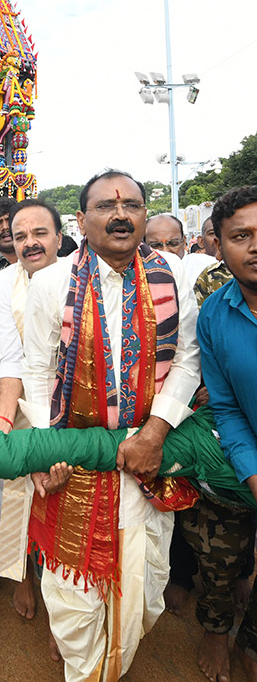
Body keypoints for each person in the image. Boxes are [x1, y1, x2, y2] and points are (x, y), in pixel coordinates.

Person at [23, 169, 200, 682]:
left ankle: (112, 665)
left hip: (148, 459)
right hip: (73, 459)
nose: (120, 214)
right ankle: (86, 670)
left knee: (146, 592)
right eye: (105, 206)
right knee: (74, 603)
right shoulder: (51, 282)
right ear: (82, 219)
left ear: (144, 215)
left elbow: (188, 361)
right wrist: (44, 450)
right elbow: (37, 370)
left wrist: (154, 433)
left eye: (132, 206)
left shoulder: (172, 274)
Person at [0, 199, 63, 624]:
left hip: (72, 407)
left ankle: (60, 592)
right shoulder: (0, 286)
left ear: (59, 238)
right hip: (19, 401)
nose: (30, 243)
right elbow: (8, 358)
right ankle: (24, 576)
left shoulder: (78, 278)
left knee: (62, 495)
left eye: (40, 234)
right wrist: (4, 418)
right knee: (13, 492)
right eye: (20, 236)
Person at [195, 186, 257, 682]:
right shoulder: (215, 313)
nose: (255, 246)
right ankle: (216, 632)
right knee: (220, 549)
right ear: (218, 245)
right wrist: (252, 470)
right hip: (244, 457)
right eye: (242, 236)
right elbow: (228, 406)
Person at [145, 213, 213, 285]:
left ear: (184, 242)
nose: (165, 251)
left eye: (173, 244)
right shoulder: (137, 273)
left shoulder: (207, 267)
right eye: (156, 245)